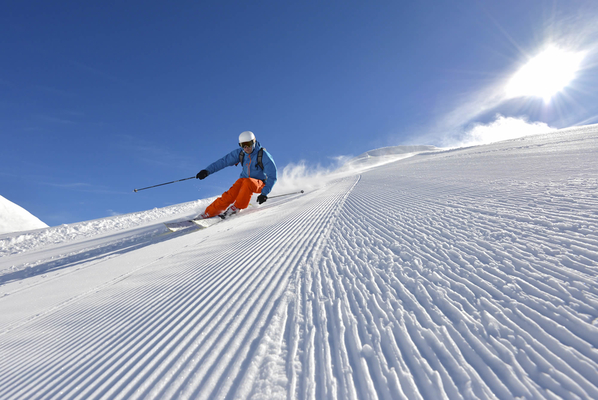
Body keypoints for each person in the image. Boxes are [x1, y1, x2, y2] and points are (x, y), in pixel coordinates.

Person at [196, 131, 277, 219]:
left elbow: (272, 176)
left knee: (248, 182)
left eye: (248, 144)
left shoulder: (263, 155)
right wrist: (207, 171)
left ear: (254, 141)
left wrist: (264, 193)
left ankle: (237, 208)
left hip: (260, 183)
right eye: (243, 145)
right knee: (229, 196)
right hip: (244, 181)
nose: (246, 147)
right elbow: (223, 161)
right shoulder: (240, 153)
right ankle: (209, 213)